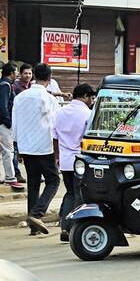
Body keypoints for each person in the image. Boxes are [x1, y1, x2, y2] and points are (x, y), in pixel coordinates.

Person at [12, 63, 60, 235]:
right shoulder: (49, 99)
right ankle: (37, 214)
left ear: (33, 76)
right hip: (44, 146)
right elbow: (56, 125)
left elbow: (15, 123)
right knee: (53, 181)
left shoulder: (20, 97)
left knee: (33, 184)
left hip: (25, 146)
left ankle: (33, 226)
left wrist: (17, 145)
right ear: (49, 78)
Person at [53, 84, 94, 242]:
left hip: (64, 160)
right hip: (81, 161)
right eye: (91, 98)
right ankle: (74, 228)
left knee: (70, 193)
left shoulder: (60, 112)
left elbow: (55, 138)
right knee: (80, 194)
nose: (91, 101)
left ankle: (65, 226)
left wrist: (57, 157)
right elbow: (88, 139)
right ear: (84, 96)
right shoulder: (88, 114)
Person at [0, 62, 21, 190]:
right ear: (11, 73)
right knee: (8, 151)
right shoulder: (5, 86)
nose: (17, 75)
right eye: (16, 72)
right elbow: (3, 106)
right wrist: (8, 122)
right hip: (3, 124)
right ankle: (10, 177)